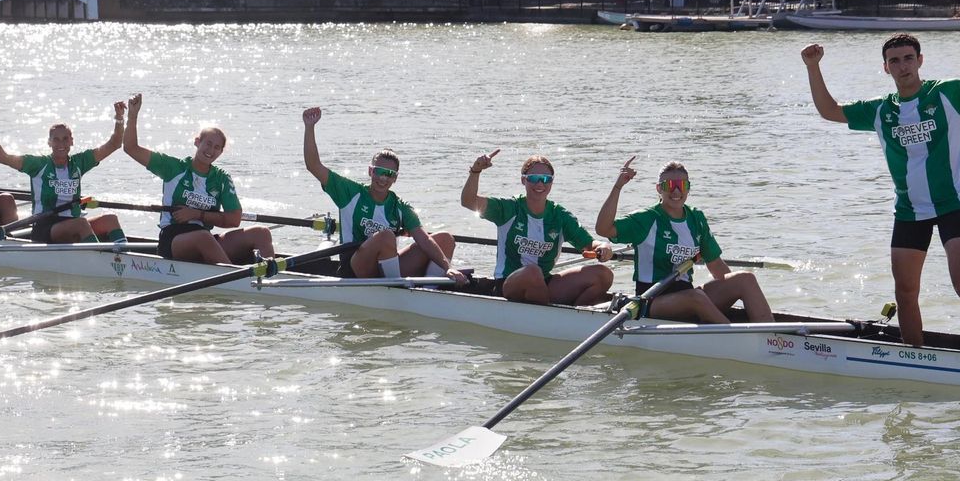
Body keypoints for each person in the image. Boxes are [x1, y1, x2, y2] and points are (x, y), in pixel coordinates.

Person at [801, 16, 960, 351]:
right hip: (908, 210)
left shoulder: (949, 94)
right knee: (905, 291)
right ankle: (914, 356)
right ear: (886, 69)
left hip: (953, 204)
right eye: (894, 61)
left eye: (908, 58)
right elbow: (830, 111)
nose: (902, 66)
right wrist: (813, 67)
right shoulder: (881, 110)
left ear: (920, 61)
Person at [595, 158, 774, 323]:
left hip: (688, 295)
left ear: (688, 188)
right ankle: (739, 341)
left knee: (745, 279)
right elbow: (603, 229)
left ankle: (771, 336)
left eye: (681, 185)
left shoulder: (696, 218)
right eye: (669, 185)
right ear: (659, 189)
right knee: (696, 297)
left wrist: (733, 293)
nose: (676, 190)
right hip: (652, 300)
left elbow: (717, 267)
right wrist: (618, 187)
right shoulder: (647, 219)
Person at [301, 106, 462, 282]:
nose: (383, 178)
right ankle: (396, 290)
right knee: (386, 236)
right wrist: (310, 128)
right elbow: (313, 166)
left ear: (395, 179)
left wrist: (448, 267)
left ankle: (432, 291)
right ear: (370, 171)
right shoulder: (350, 193)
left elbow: (423, 240)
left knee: (445, 239)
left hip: (385, 266)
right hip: (355, 267)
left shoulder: (400, 207)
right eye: (379, 171)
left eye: (390, 174)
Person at [121, 93, 273, 264]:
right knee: (203, 238)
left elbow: (234, 219)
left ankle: (273, 279)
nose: (211, 150)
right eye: (207, 143)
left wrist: (197, 214)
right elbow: (131, 148)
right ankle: (238, 281)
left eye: (217, 147)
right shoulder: (173, 168)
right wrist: (132, 115)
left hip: (205, 238)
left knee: (262, 233)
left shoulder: (222, 178)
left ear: (220, 152)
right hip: (173, 239)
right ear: (197, 142)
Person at [460, 150, 615, 306]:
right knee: (533, 272)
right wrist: (476, 171)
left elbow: (589, 244)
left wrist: (603, 246)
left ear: (552, 182)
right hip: (509, 283)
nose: (540, 184)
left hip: (545, 282)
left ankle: (579, 315)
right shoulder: (508, 209)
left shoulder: (560, 215)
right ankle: (551, 318)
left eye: (546, 179)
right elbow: (468, 201)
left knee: (603, 275)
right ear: (523, 181)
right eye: (533, 178)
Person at [0, 100, 128, 244]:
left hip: (73, 223)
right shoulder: (38, 165)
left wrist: (119, 118)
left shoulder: (80, 162)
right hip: (45, 227)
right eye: (56, 140)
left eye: (65, 139)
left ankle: (124, 260)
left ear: (71, 141)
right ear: (49, 143)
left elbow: (114, 144)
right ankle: (101, 263)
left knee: (110, 219)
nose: (61, 144)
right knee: (81, 224)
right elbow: (2, 157)